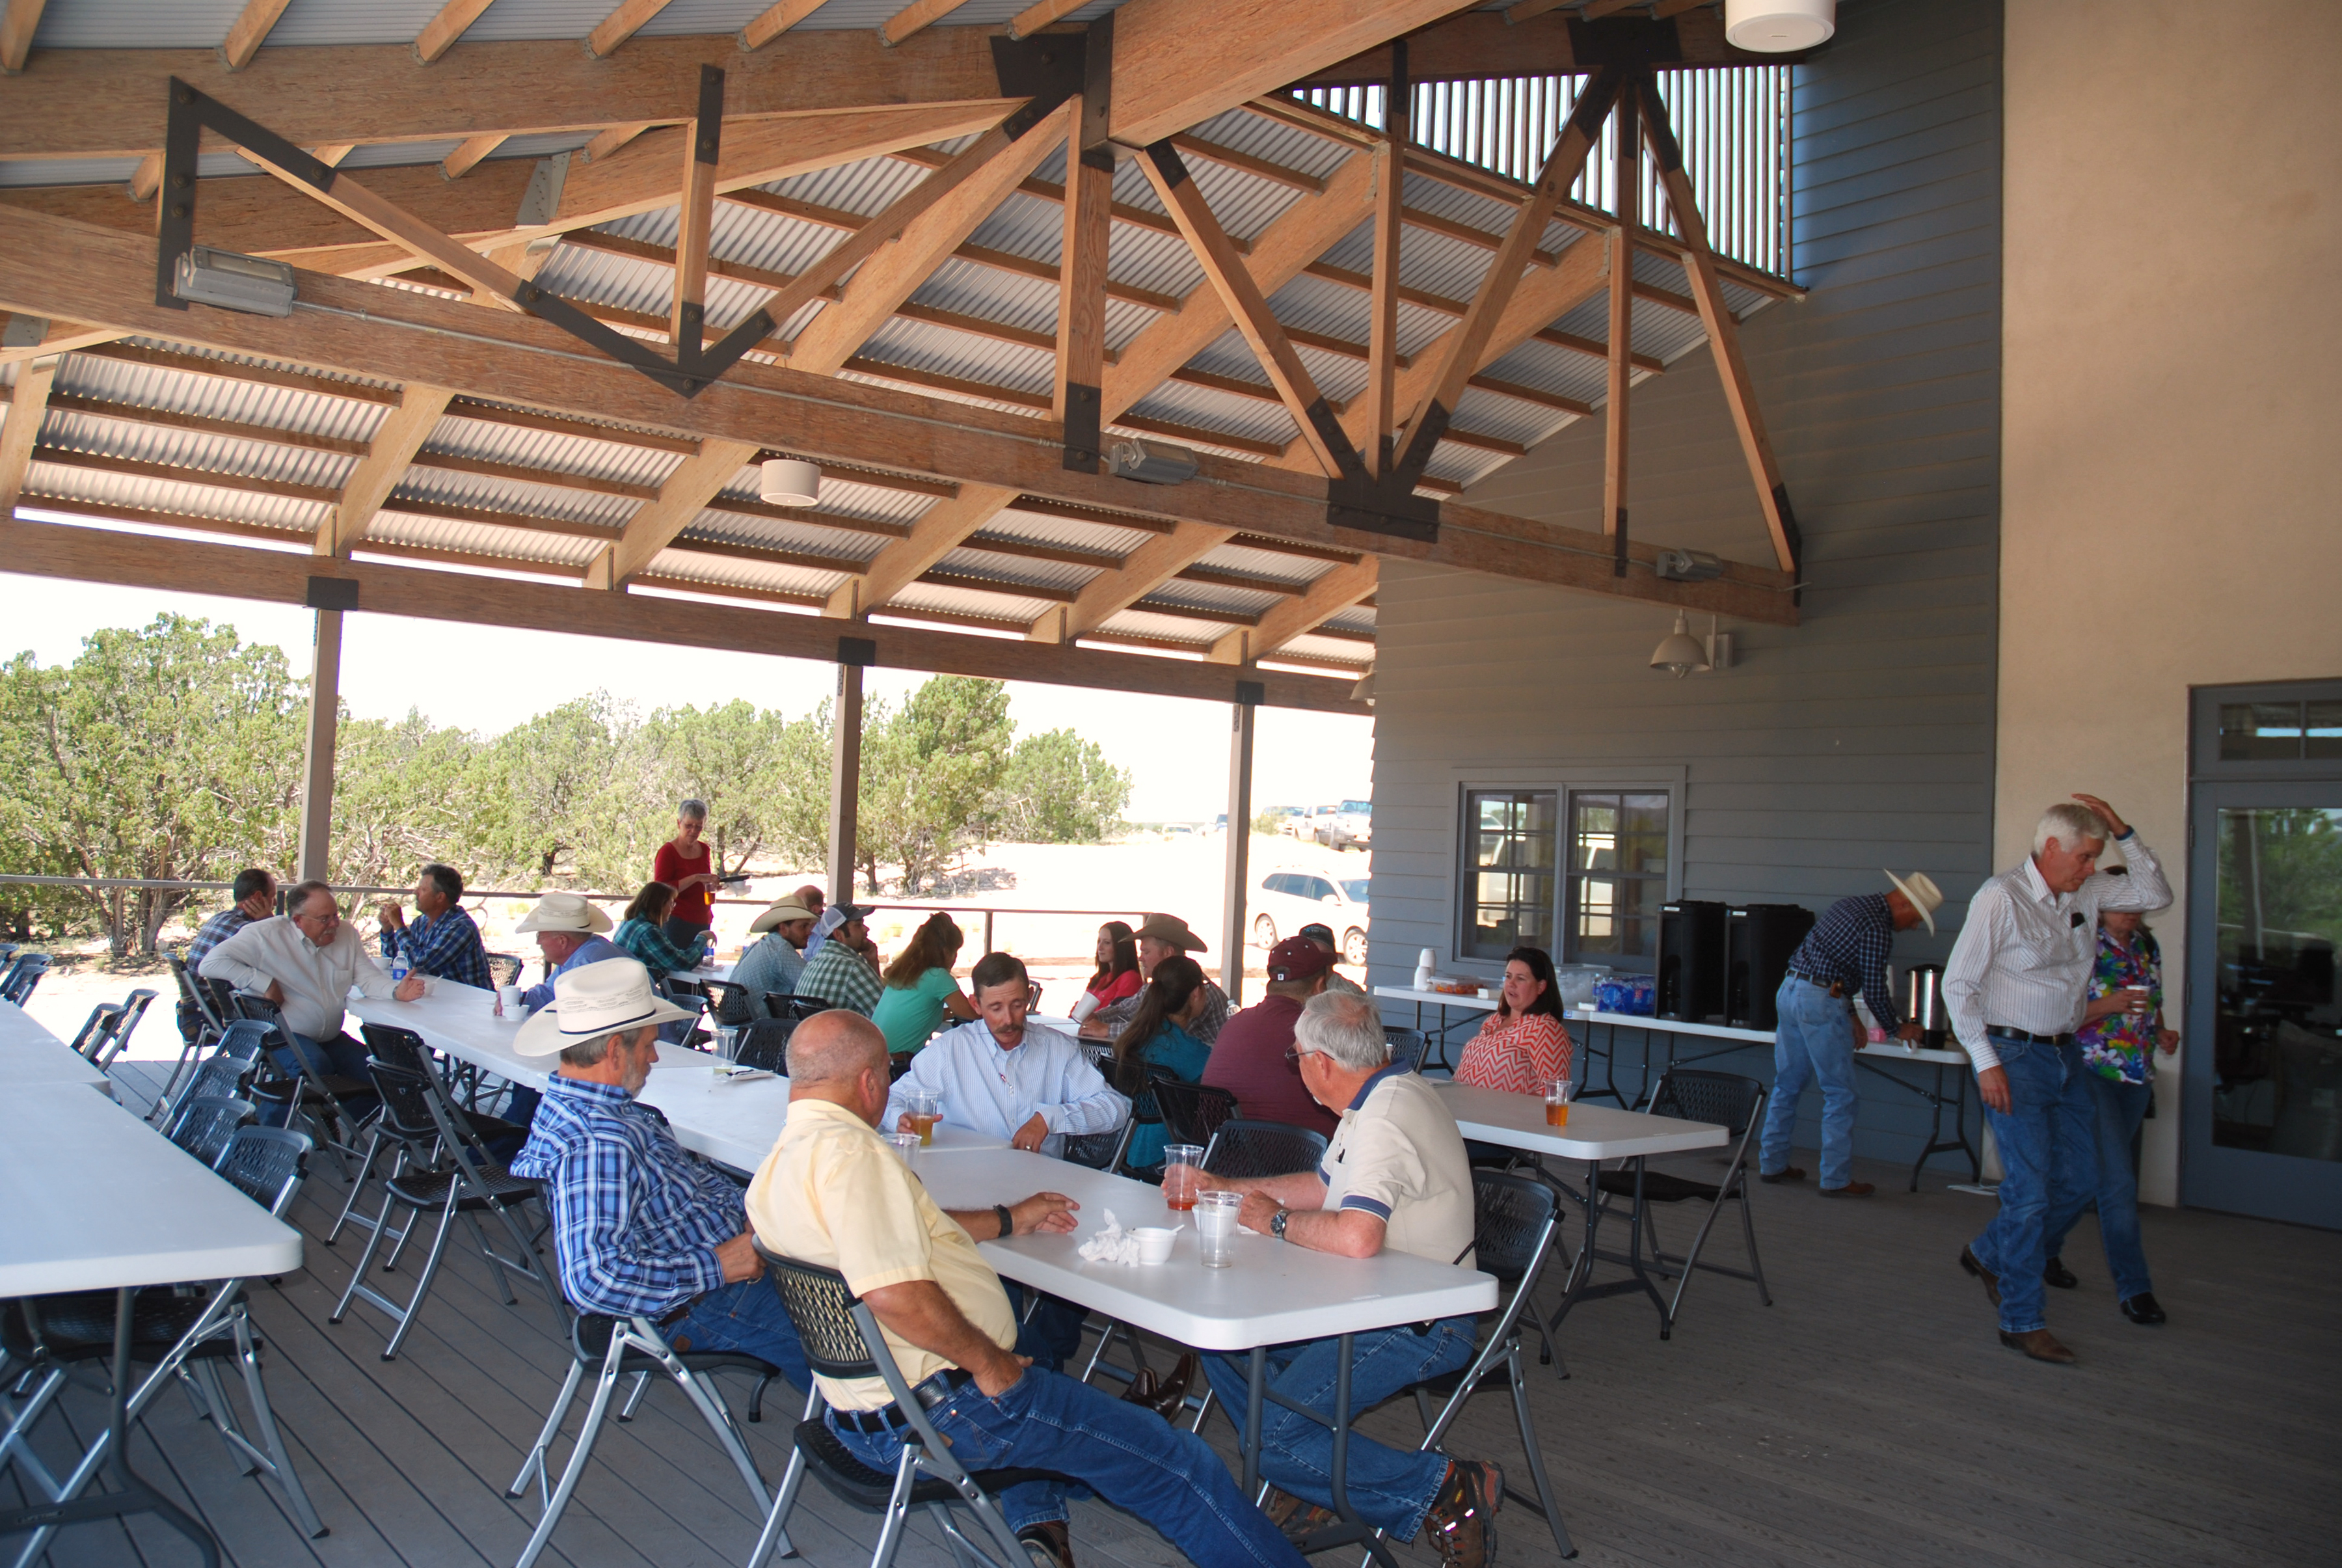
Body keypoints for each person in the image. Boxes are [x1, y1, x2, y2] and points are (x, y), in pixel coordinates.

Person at [746, 1011, 1306, 1568]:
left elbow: (901, 1232)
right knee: (1179, 1464)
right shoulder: (855, 1158)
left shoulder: (783, 1164)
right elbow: (895, 1295)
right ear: (870, 1082)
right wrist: (991, 1365)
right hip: (946, 1413)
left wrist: (1010, 1219)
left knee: (1098, 1434)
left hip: (861, 1417)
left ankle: (1088, 1459)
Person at [1200, 992, 1502, 1568]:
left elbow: (1357, 1237)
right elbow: (1323, 1187)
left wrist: (1278, 1222)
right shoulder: (1376, 1096)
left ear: (1323, 1063)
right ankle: (1310, 1478)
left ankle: (1443, 1488)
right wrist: (1225, 1189)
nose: (1297, 1068)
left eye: (1296, 1058)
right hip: (1358, 1301)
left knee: (1273, 1439)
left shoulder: (1386, 1116)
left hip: (1419, 1319)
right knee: (1225, 1342)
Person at [507, 958, 810, 1388]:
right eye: (649, 1044)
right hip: (708, 1300)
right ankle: (887, 1436)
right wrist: (720, 1264)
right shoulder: (598, 1141)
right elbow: (594, 1280)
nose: (653, 1056)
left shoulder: (579, 1104)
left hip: (726, 1262)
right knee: (861, 1343)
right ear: (614, 1050)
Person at [1943, 794, 2170, 1365]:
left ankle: (1989, 1253)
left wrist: (2124, 828)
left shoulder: (2087, 893)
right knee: (2030, 1190)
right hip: (2013, 1057)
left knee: (2084, 1178)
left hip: (2069, 1058)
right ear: (2052, 849)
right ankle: (2022, 1318)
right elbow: (1958, 986)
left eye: (2097, 856)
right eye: (2087, 856)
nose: (2092, 866)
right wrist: (1985, 1061)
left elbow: (2155, 894)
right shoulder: (2001, 897)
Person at [1755, 871, 1944, 1198]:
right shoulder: (1877, 928)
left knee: (1788, 1083)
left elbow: (1831, 967)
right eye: (1914, 919)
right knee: (1840, 1093)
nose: (1912, 927)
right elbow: (1873, 988)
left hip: (1789, 990)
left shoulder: (1850, 906)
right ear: (1902, 902)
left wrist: (1851, 1014)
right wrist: (1897, 1029)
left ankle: (1772, 1163)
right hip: (1819, 1001)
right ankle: (1836, 1179)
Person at [2039, 898, 2179, 1327]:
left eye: (2139, 906)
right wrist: (2109, 1005)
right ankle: (2135, 1290)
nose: (2132, 914)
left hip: (2135, 1076)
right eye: (2123, 906)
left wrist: (2160, 1031)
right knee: (2117, 1182)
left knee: (2083, 1177)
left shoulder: (2145, 945)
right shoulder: (2081, 945)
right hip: (2089, 1071)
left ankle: (2039, 1251)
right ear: (2102, 907)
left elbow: (2151, 997)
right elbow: (2056, 1014)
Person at [886, 953, 1127, 1156]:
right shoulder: (950, 1050)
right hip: (965, 1176)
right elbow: (892, 1098)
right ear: (976, 1005)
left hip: (1038, 1184)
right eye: (996, 1008)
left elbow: (1115, 1108)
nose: (1008, 1020)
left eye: (1017, 1005)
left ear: (1030, 997)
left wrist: (1051, 1118)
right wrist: (900, 1119)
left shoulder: (1058, 1049)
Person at [200, 879, 422, 1082]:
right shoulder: (265, 934)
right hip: (282, 1035)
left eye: (336, 915)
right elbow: (210, 964)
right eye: (324, 919)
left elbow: (367, 978)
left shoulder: (346, 933)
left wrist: (396, 992)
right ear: (297, 920)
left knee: (383, 1075)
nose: (334, 924)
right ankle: (271, 1123)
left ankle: (329, 1121)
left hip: (329, 1037)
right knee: (314, 1065)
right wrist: (264, 982)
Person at [508, 891, 628, 1126]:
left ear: (562, 941)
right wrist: (520, 999)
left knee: (539, 1076)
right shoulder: (584, 953)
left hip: (627, 1054)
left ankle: (499, 1146)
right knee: (531, 1075)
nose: (538, 943)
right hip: (616, 1047)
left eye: (541, 936)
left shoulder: (586, 961)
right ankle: (509, 1139)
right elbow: (549, 994)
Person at [1202, 936, 1339, 1137]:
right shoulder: (1321, 1032)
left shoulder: (1233, 1024)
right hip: (1296, 1160)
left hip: (1219, 1155)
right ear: (1320, 986)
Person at [1107, 954, 1212, 1170]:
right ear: (1195, 993)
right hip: (1173, 1156)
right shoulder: (1194, 1053)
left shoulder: (1133, 1039)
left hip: (1125, 1148)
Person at [1082, 913, 1230, 1045]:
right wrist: (1095, 1017)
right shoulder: (1156, 985)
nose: (1140, 958)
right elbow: (1125, 1011)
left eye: (1146, 952)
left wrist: (1108, 1030)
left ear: (1168, 953)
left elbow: (1163, 1031)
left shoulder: (1199, 989)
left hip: (1206, 1072)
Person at [1453, 945, 1574, 1096]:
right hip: (1464, 1108)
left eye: (1521, 979)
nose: (1511, 984)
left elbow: (1555, 1092)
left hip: (1504, 1116)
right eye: (1508, 976)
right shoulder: (1494, 1021)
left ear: (1541, 987)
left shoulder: (1545, 1029)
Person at [178, 867, 275, 1045]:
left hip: (194, 1013)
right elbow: (280, 961)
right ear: (259, 897)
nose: (274, 904)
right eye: (273, 898)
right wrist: (269, 922)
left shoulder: (221, 918)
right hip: (216, 1016)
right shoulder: (246, 932)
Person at [870, 912, 977, 1060]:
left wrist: (952, 1013)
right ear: (946, 951)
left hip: (874, 1055)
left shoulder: (905, 971)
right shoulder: (937, 977)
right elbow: (971, 1016)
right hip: (896, 1064)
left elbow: (919, 1014)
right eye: (955, 951)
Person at [376, 863, 492, 992]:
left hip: (472, 1002)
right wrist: (388, 930)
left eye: (423, 890)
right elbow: (398, 961)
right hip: (438, 998)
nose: (416, 893)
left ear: (440, 897)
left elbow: (420, 965)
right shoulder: (421, 922)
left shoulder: (461, 927)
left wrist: (399, 926)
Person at [651, 800, 721, 952]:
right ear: (679, 823)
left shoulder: (704, 849)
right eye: (688, 826)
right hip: (676, 920)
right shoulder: (668, 852)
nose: (693, 831)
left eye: (699, 827)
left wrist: (712, 884)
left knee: (700, 967)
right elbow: (660, 891)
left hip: (703, 918)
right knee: (680, 970)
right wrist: (696, 878)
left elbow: (703, 882)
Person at [794, 904, 883, 1016]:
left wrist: (872, 961)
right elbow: (886, 1014)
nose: (866, 929)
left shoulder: (814, 962)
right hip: (840, 1033)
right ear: (838, 934)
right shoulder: (852, 967)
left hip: (810, 1032)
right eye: (858, 925)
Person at [730, 896, 816, 1012]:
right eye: (803, 926)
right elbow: (814, 988)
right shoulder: (780, 949)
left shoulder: (764, 944)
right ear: (783, 928)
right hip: (757, 1026)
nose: (809, 932)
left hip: (737, 1024)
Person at [613, 882, 703, 977]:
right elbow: (684, 963)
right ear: (659, 905)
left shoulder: (628, 922)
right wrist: (702, 938)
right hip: (638, 988)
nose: (672, 909)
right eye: (671, 904)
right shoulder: (648, 931)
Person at [1070, 921, 1142, 1024]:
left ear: (1121, 947)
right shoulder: (1099, 978)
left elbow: (1121, 1016)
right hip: (1086, 1032)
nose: (1100, 948)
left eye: (1107, 943)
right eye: (1099, 942)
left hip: (1105, 1037)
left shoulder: (1129, 978)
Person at [1297, 923, 1367, 997]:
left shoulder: (1349, 994)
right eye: (1308, 953)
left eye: (1323, 955)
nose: (1316, 960)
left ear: (1335, 957)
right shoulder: (1292, 986)